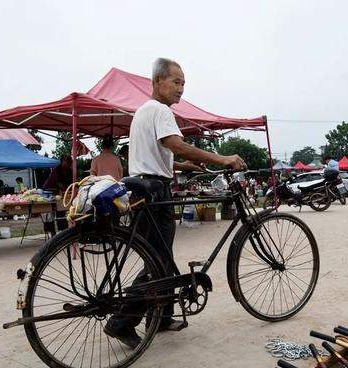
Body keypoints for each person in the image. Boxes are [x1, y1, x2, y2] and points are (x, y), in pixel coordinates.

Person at [104, 58, 245, 348]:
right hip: (155, 190)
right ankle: (121, 322)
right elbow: (176, 144)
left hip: (143, 186)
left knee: (161, 256)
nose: (181, 88)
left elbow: (159, 155)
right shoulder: (161, 111)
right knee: (156, 261)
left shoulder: (144, 112)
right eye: (176, 82)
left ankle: (163, 314)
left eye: (183, 83)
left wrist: (186, 167)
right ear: (157, 82)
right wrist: (222, 158)